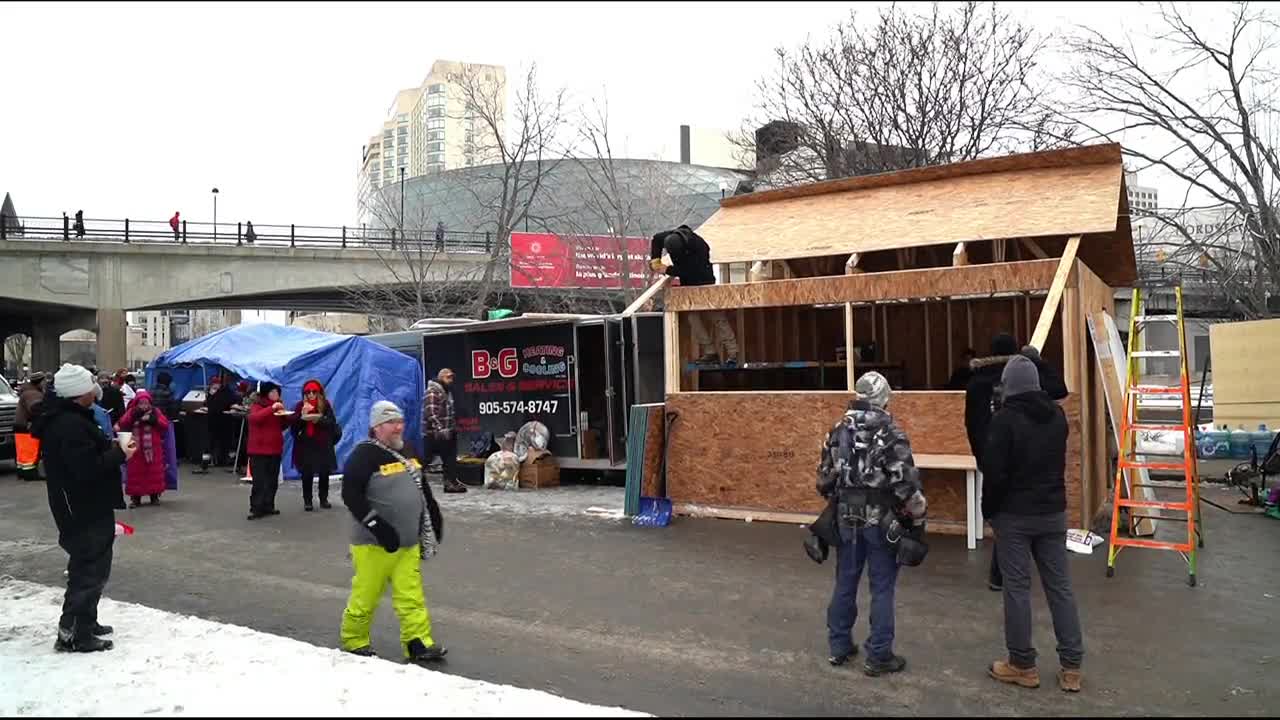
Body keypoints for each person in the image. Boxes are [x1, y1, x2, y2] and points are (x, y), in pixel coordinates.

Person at [982, 355, 1084, 693]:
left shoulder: (1004, 421)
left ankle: (1022, 664)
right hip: (1053, 512)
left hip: (1014, 515)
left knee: (1018, 589)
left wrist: (989, 510)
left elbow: (995, 474)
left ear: (1009, 385)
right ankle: (1071, 667)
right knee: (1060, 588)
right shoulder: (1056, 417)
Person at [816, 371, 927, 677]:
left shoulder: (837, 431)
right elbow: (906, 483)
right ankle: (878, 655)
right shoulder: (890, 432)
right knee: (881, 587)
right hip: (881, 521)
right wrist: (918, 518)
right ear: (883, 398)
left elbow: (824, 482)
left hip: (845, 518)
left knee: (845, 581)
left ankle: (839, 646)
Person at [32, 363, 136, 653]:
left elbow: (86, 458)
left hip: (87, 504)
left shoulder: (73, 419)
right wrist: (118, 454)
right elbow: (85, 469)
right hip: (82, 507)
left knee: (91, 565)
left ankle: (85, 621)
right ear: (79, 393)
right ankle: (75, 633)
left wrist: (111, 448)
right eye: (91, 385)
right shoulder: (69, 425)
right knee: (88, 568)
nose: (96, 389)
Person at [339, 400, 446, 664]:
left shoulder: (407, 450)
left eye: (400, 422)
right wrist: (377, 526)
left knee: (411, 597)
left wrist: (433, 514)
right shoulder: (363, 455)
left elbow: (421, 487)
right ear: (377, 427)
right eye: (392, 423)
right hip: (373, 544)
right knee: (366, 595)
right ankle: (355, 641)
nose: (399, 427)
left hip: (407, 543)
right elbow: (350, 495)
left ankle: (418, 643)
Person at [964, 333, 1068, 591]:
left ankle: (999, 576)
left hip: (992, 455)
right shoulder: (1025, 376)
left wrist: (980, 454)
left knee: (1004, 510)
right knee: (1012, 512)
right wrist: (1037, 361)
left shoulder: (978, 380)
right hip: (1021, 453)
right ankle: (1002, 576)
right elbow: (1059, 388)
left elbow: (971, 422)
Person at [649, 225, 738, 365]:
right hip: (688, 285)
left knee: (715, 316)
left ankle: (733, 353)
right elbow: (656, 239)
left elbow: (691, 271)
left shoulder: (700, 247)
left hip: (704, 281)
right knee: (693, 318)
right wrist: (655, 260)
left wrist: (667, 269)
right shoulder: (669, 237)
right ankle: (710, 352)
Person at [291, 379, 340, 511]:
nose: (311, 394)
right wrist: (302, 416)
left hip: (323, 444)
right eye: (308, 392)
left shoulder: (325, 405)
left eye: (314, 391)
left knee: (324, 472)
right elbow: (294, 428)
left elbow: (331, 423)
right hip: (306, 444)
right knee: (307, 474)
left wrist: (318, 419)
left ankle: (323, 499)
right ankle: (308, 501)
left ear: (319, 393)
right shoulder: (300, 406)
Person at [117, 390, 171, 508]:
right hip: (135, 448)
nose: (144, 405)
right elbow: (122, 422)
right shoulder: (132, 412)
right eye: (141, 403)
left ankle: (154, 496)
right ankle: (136, 498)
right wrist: (133, 416)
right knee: (135, 473)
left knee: (154, 473)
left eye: (146, 403)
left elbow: (165, 424)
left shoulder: (155, 412)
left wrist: (153, 420)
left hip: (153, 448)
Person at [246, 382, 291, 519]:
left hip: (275, 449)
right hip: (259, 450)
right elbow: (255, 419)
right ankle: (256, 508)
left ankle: (268, 505)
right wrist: (272, 408)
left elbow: (283, 425)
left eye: (277, 392)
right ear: (267, 393)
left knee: (272, 480)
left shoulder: (278, 407)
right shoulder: (257, 406)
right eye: (273, 392)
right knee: (259, 481)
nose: (276, 395)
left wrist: (284, 415)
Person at [424, 368, 466, 494]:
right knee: (426, 459)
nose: (451, 380)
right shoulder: (433, 391)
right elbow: (431, 413)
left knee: (450, 459)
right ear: (441, 377)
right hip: (434, 434)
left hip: (447, 431)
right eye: (448, 377)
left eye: (452, 377)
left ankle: (450, 483)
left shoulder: (447, 392)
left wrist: (452, 429)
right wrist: (440, 430)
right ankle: (412, 480)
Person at [14, 371, 47, 481]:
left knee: (22, 452)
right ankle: (29, 473)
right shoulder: (33, 393)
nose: (45, 383)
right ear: (39, 382)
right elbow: (35, 408)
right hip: (27, 425)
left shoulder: (27, 391)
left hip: (20, 425)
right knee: (29, 451)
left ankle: (21, 471)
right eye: (44, 380)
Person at [204, 376, 239, 466]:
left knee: (214, 441)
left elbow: (211, 405)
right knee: (221, 441)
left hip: (216, 419)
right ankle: (220, 460)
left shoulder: (220, 393)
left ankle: (213, 460)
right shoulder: (226, 393)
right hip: (222, 419)